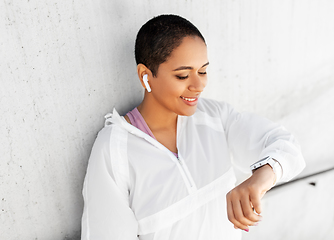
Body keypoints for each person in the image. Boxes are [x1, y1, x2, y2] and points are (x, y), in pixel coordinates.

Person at [81, 14, 305, 240]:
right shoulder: (115, 150)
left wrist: (259, 180)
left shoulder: (214, 117)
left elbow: (287, 147)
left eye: (203, 71)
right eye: (183, 75)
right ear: (146, 75)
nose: (199, 86)